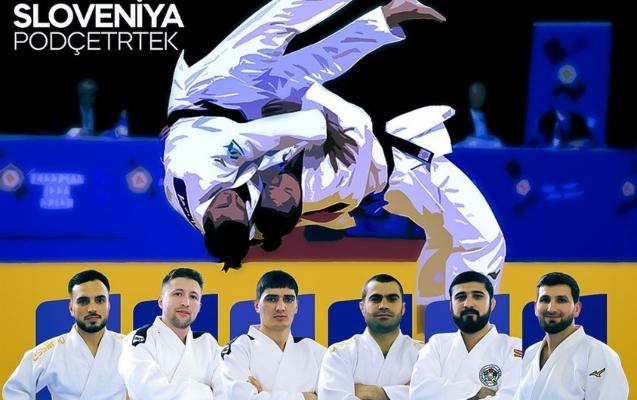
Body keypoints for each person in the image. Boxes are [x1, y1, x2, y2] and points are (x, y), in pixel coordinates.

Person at [161, 0, 445, 269]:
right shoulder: (234, 228)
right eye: (237, 210)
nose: (230, 202)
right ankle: (387, 17)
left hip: (208, 92)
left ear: (207, 219)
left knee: (278, 24)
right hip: (233, 114)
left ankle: (385, 17)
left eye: (222, 207)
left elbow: (303, 127)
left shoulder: (204, 170)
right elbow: (262, 230)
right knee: (308, 70)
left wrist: (307, 121)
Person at [3, 270, 126, 399]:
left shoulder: (127, 347)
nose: (92, 308)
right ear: (71, 308)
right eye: (83, 301)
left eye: (99, 300)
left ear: (108, 305)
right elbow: (15, 390)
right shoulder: (52, 351)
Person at [514, 272, 628, 400]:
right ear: (535, 307)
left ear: (577, 309)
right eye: (545, 299)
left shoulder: (598, 354)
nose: (551, 308)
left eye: (561, 300)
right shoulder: (531, 353)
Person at [410, 271, 521, 400]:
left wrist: (444, 393)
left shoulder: (513, 347)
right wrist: (475, 391)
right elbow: (419, 391)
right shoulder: (437, 344)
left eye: (477, 296)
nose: (468, 303)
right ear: (451, 306)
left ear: (492, 304)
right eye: (460, 297)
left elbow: (512, 397)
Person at [118, 268, 224, 400]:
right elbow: (149, 393)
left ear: (199, 306)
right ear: (161, 301)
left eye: (193, 297)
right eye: (178, 294)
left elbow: (228, 390)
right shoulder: (138, 341)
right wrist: (208, 393)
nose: (185, 303)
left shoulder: (208, 344)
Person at [220, 270, 326, 399]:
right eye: (272, 299)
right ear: (257, 305)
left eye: (288, 299)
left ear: (297, 306)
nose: (280, 307)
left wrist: (263, 395)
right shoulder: (238, 349)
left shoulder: (314, 351)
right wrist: (305, 397)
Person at [318, 274, 422, 400]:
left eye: (392, 299)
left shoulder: (424, 353)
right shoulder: (339, 354)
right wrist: (406, 392)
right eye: (375, 299)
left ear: (403, 308)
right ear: (362, 307)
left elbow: (435, 395)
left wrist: (378, 393)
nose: (383, 305)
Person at [455, 81, 503, 148]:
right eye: (475, 93)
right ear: (469, 95)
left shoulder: (491, 115)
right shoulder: (459, 117)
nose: (479, 96)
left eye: (481, 94)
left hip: (488, 148)